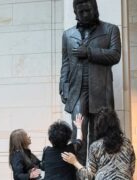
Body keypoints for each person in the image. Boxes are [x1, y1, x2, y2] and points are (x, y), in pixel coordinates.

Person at [59, 0, 121, 165]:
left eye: (88, 10)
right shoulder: (68, 34)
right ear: (75, 13)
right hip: (77, 91)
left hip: (100, 90)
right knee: (78, 134)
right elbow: (65, 63)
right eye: (81, 12)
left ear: (95, 9)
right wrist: (63, 86)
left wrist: (89, 52)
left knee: (99, 134)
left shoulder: (110, 30)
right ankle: (79, 174)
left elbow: (115, 55)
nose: (85, 15)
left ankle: (96, 173)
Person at [61, 108, 135, 180]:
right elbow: (131, 169)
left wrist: (75, 162)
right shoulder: (127, 143)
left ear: (98, 126)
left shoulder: (95, 146)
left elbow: (89, 176)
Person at [41, 114, 83, 180]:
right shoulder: (71, 149)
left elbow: (43, 167)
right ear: (68, 137)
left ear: (50, 138)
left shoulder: (46, 151)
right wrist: (79, 126)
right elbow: (79, 140)